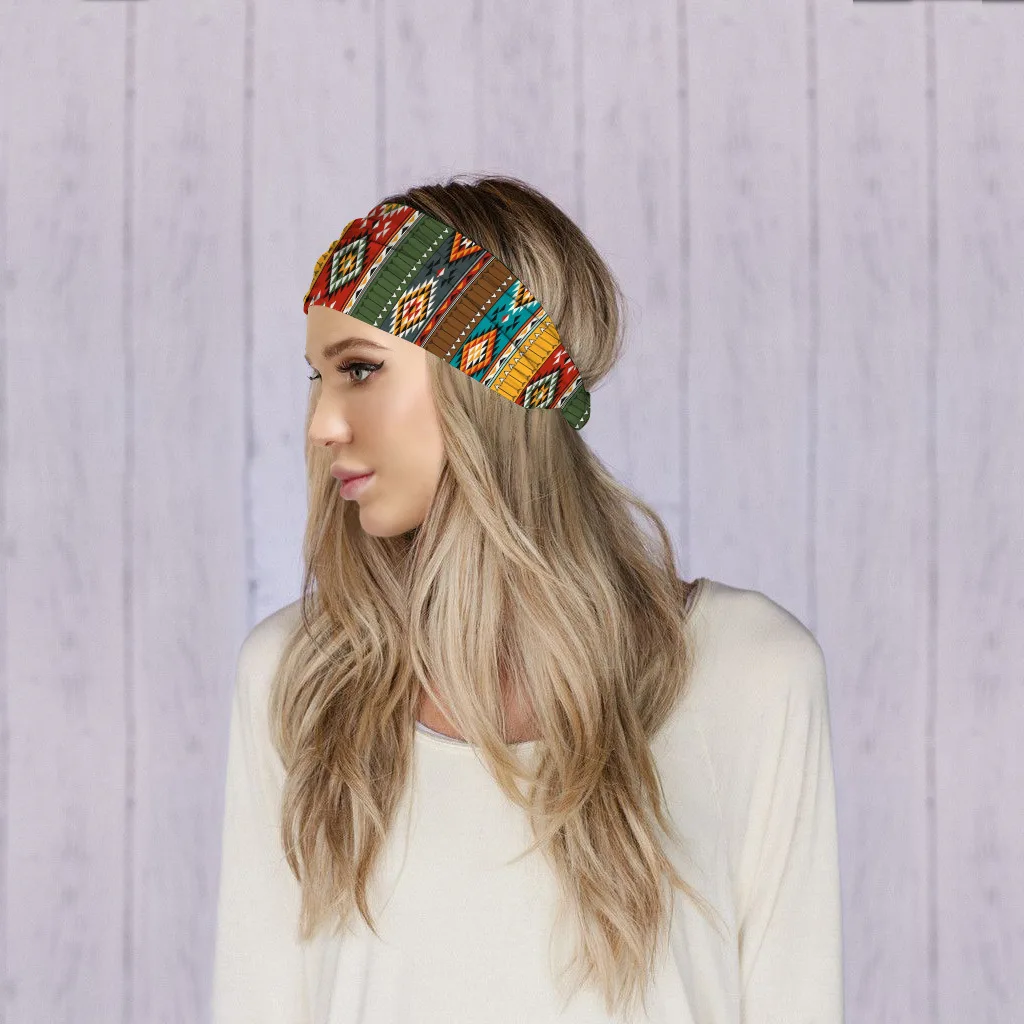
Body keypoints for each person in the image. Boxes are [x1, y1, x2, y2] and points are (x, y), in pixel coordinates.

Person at [210, 174, 845, 1023]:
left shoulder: (751, 672)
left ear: (490, 382)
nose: (323, 424)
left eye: (359, 369)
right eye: (318, 379)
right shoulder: (300, 677)